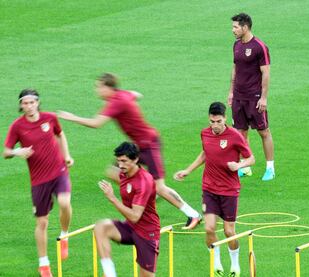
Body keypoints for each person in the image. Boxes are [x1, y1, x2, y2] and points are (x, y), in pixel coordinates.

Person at [58, 73, 201, 229]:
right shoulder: (123, 95)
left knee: (160, 187)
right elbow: (136, 94)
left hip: (149, 144)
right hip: (137, 146)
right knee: (114, 172)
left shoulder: (116, 102)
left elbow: (96, 123)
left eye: (99, 87)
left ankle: (193, 214)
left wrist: (71, 117)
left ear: (108, 87)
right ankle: (146, 193)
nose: (97, 90)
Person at [174, 102, 254, 277]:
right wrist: (188, 170)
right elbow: (204, 154)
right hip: (209, 188)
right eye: (212, 121)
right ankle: (216, 261)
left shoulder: (235, 136)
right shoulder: (205, 133)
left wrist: (239, 165)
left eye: (218, 121)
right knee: (209, 228)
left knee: (228, 231)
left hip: (229, 190)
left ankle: (235, 264)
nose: (215, 125)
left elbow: (251, 159)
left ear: (225, 118)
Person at [3, 89, 73, 277]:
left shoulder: (49, 118)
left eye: (31, 102)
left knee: (65, 203)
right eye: (24, 103)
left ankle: (64, 234)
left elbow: (60, 134)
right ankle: (44, 263)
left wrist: (66, 155)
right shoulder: (17, 126)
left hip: (59, 171)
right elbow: (6, 151)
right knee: (42, 222)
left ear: (37, 103)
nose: (28, 106)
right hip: (39, 180)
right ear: (21, 105)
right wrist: (17, 152)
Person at [94, 142, 160, 277]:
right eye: (118, 161)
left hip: (147, 233)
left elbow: (135, 216)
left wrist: (112, 198)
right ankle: (110, 274)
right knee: (101, 227)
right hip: (130, 227)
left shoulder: (144, 181)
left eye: (124, 161)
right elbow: (111, 171)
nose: (120, 165)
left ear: (135, 159)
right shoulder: (124, 174)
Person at [228, 13, 275, 181]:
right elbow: (235, 69)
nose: (232, 30)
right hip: (239, 96)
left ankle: (270, 168)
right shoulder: (236, 45)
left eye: (235, 27)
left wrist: (263, 98)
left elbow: (266, 73)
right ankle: (246, 166)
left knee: (263, 131)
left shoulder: (259, 47)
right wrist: (231, 92)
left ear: (245, 27)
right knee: (240, 133)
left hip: (254, 97)